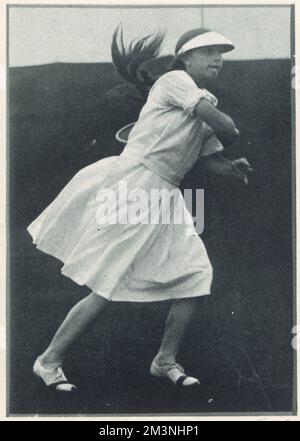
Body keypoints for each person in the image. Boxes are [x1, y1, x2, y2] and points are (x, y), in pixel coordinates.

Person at [29, 27, 252, 392]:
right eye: (208, 51)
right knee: (107, 281)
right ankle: (48, 360)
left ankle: (164, 360)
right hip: (133, 184)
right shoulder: (174, 81)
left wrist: (231, 166)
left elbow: (211, 158)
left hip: (166, 194)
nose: (217, 58)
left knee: (195, 276)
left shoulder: (203, 101)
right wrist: (230, 131)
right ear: (185, 59)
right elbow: (226, 128)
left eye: (221, 53)